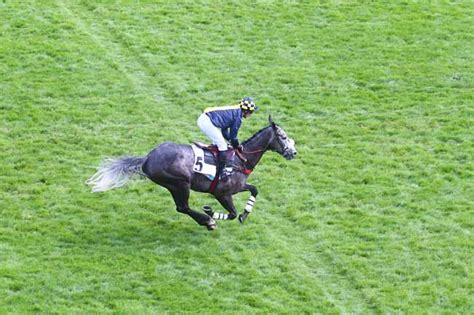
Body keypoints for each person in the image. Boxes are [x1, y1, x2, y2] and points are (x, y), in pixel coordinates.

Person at [197, 97, 258, 178]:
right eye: (251, 112)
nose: (250, 115)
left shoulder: (235, 111)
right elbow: (234, 136)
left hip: (205, 119)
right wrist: (237, 146)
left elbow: (224, 131)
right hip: (207, 122)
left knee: (219, 144)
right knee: (223, 146)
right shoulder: (238, 118)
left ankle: (211, 164)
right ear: (246, 111)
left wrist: (231, 142)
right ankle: (220, 173)